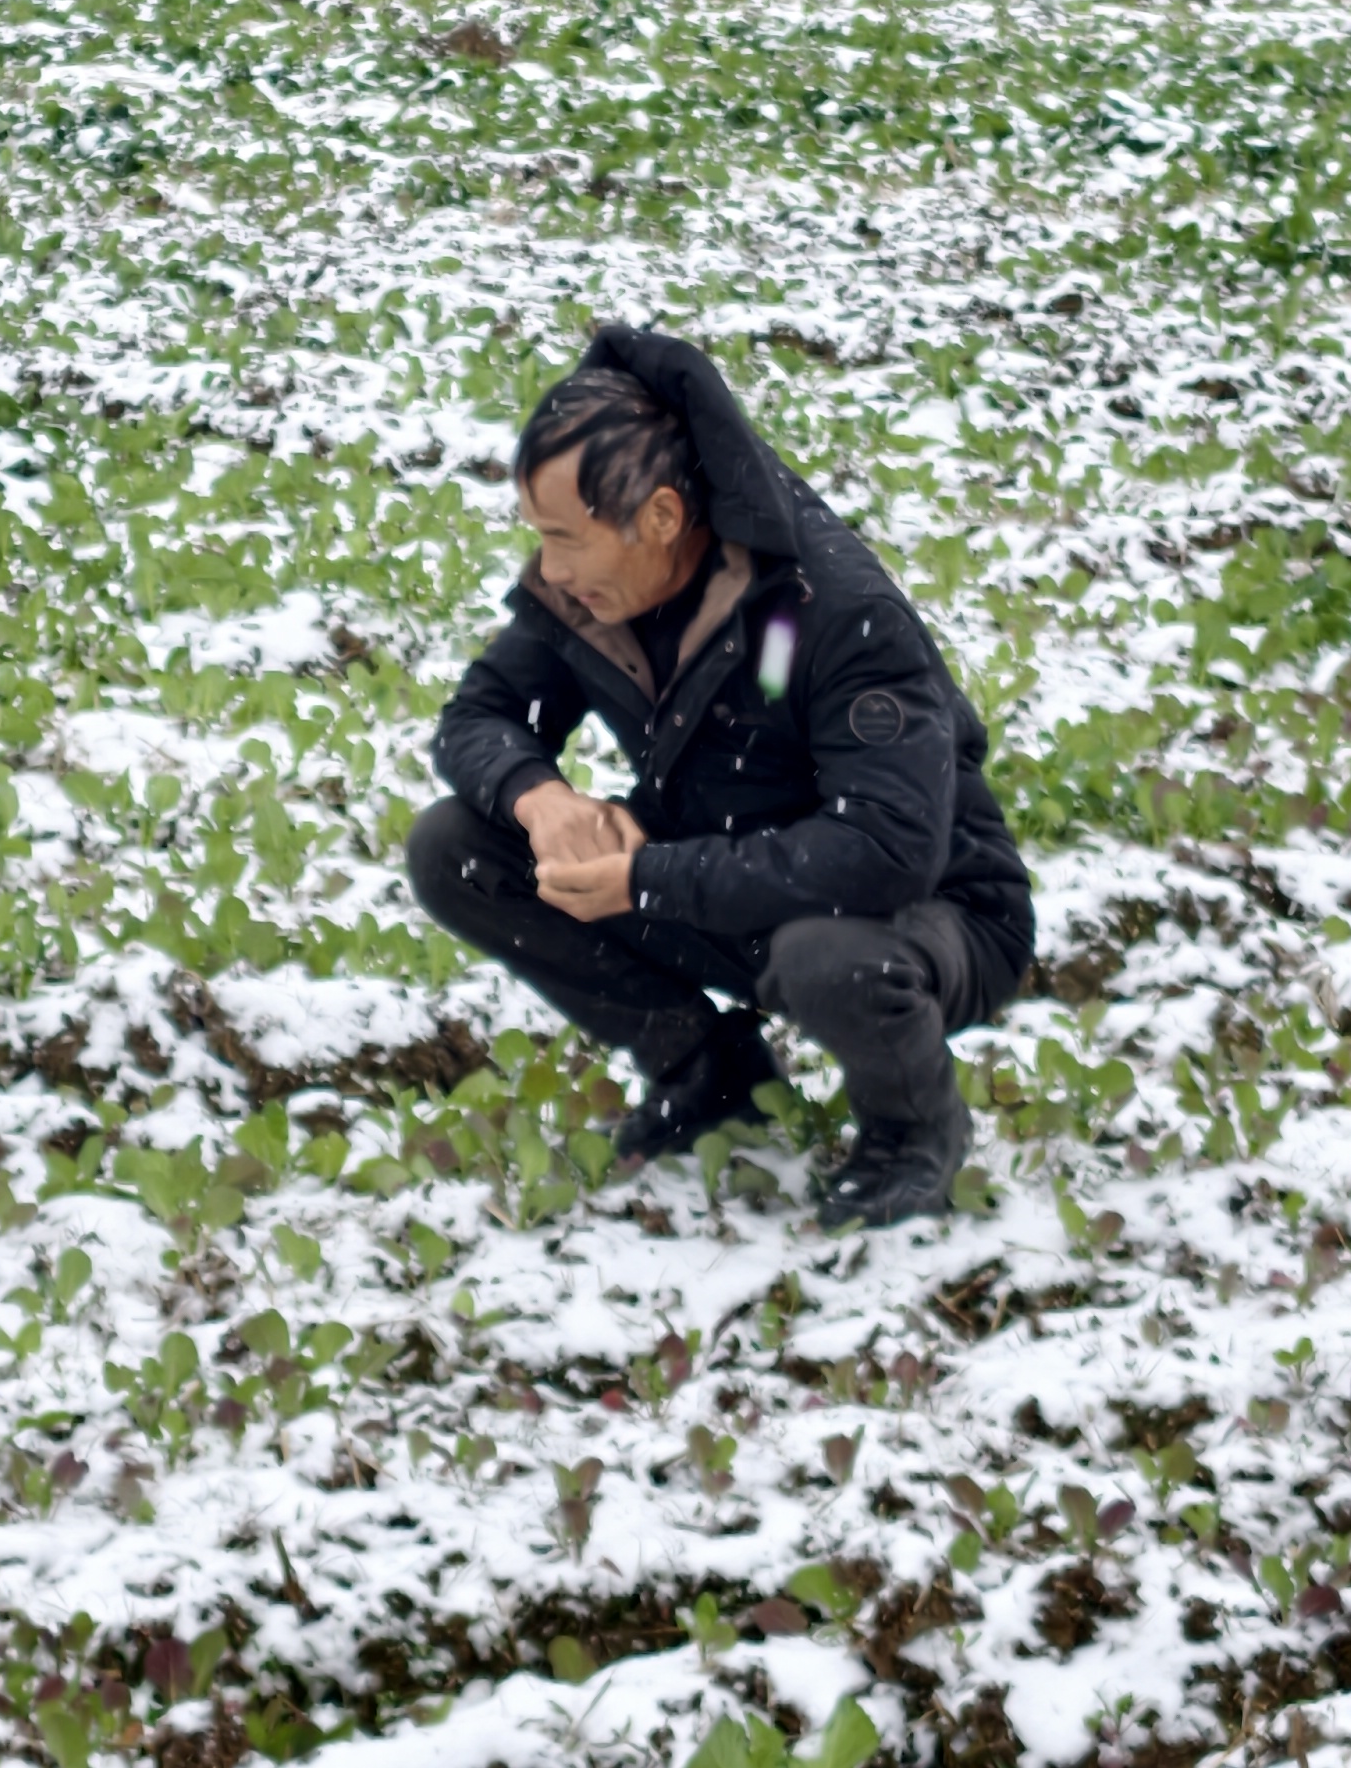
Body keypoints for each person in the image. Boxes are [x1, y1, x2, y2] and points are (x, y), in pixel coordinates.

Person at [410, 326, 1035, 1229]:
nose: (550, 568)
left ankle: (914, 1132)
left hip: (930, 914)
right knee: (454, 847)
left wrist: (649, 877)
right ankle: (707, 1071)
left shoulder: (831, 610)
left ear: (662, 517)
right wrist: (539, 797)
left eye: (566, 538)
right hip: (725, 876)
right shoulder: (591, 592)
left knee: (826, 958)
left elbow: (886, 851)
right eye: (539, 537)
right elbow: (479, 717)